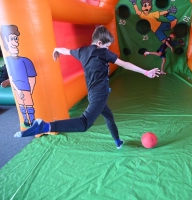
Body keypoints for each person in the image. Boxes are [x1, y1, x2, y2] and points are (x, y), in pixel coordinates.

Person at [14, 25, 161, 149]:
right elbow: (124, 64)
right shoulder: (102, 52)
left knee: (109, 116)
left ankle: (117, 141)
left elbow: (66, 50)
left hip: (93, 94)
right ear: (99, 43)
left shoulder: (82, 51)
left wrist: (57, 49)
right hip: (99, 94)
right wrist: (146, 72)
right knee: (84, 124)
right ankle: (45, 126)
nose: (108, 49)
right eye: (107, 46)